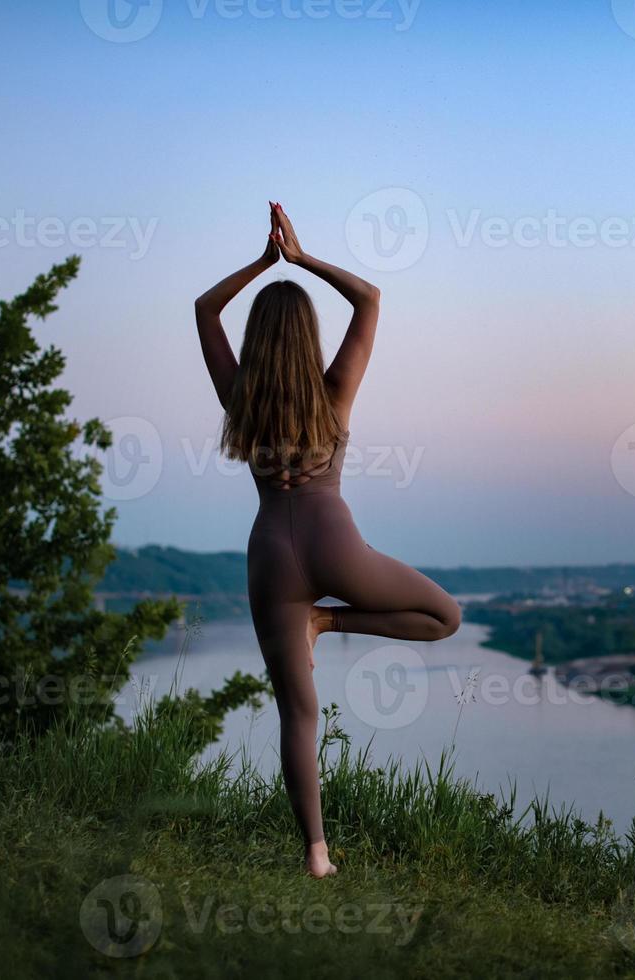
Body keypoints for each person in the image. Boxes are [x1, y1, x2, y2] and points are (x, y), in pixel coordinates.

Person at [194, 202, 461, 878]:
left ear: (257, 341)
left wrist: (262, 264)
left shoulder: (241, 401)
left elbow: (204, 309)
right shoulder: (334, 393)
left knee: (298, 715)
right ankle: (331, 621)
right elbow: (369, 298)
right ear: (310, 335)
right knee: (445, 617)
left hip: (271, 557)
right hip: (334, 542)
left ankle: (317, 853)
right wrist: (302, 259)